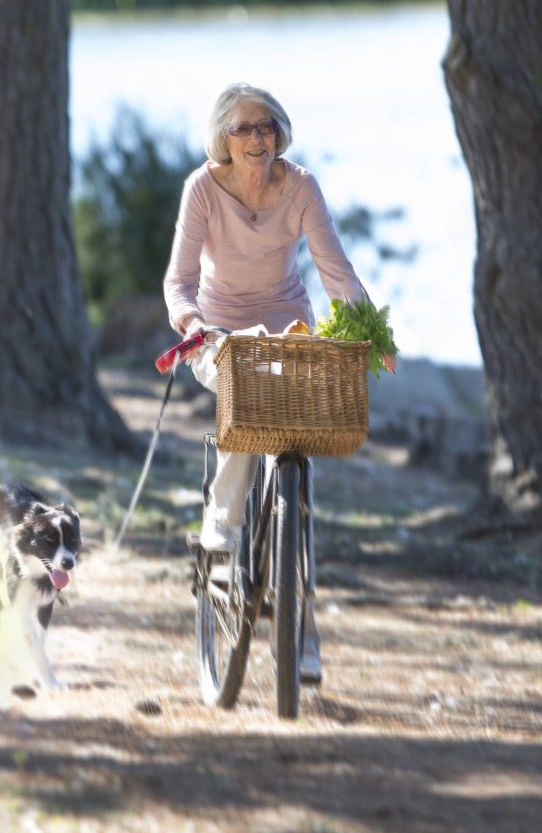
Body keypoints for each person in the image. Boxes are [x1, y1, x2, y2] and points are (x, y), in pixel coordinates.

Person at [163, 81, 376, 683]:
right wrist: (192, 323)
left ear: (280, 133)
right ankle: (221, 524)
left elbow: (336, 270)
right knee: (245, 402)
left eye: (266, 127)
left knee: (299, 487)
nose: (257, 139)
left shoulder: (300, 185)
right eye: (243, 129)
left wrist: (369, 335)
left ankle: (303, 638)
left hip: (288, 326)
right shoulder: (202, 189)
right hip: (221, 331)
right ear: (222, 140)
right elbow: (178, 281)